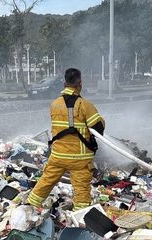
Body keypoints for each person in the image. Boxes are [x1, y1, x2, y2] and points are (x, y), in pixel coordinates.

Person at [27, 68, 105, 211]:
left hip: (58, 156)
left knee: (46, 181)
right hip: (80, 159)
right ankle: (79, 217)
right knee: (81, 189)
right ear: (80, 84)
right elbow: (99, 129)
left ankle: (30, 206)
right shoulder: (85, 105)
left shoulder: (55, 104)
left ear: (64, 83)